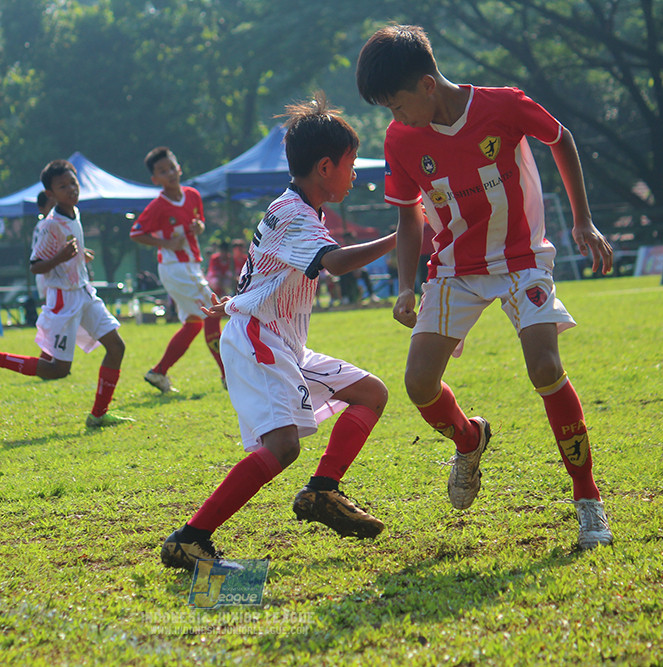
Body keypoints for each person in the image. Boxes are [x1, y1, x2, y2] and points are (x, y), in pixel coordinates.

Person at [356, 24, 615, 549]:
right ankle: (469, 440)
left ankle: (588, 500)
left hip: (522, 259)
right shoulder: (401, 138)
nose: (394, 117)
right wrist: (406, 286)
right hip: (453, 267)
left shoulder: (503, 105)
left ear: (428, 84)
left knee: (545, 367)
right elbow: (409, 216)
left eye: (396, 103)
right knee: (418, 385)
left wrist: (583, 220)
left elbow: (560, 138)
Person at [160, 93, 399, 571]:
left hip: (281, 342)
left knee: (371, 393)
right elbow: (334, 264)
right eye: (351, 165)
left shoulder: (296, 208)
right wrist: (402, 236)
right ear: (326, 167)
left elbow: (267, 270)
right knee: (283, 446)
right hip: (259, 341)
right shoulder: (295, 214)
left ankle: (323, 492)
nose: (355, 175)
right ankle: (189, 539)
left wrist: (236, 299)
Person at [0, 159, 133, 429]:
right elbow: (36, 266)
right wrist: (62, 257)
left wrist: (79, 258)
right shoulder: (49, 225)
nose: (71, 189)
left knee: (116, 347)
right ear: (50, 194)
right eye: (63, 186)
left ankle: (98, 414)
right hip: (63, 301)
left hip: (84, 293)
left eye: (73, 183)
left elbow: (68, 255)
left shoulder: (75, 213)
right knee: (57, 370)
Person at [130, 146, 225, 393]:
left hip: (191, 264)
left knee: (194, 323)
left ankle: (158, 372)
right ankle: (229, 376)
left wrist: (199, 227)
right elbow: (136, 233)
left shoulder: (192, 195)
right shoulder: (157, 206)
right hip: (175, 267)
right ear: (155, 180)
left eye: (172, 167)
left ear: (179, 168)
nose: (170, 173)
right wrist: (165, 243)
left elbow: (199, 224)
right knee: (212, 311)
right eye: (162, 171)